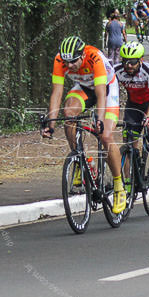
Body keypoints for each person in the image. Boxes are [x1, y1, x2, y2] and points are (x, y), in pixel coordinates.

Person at [41, 36, 126, 214]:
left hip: (107, 88)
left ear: (82, 55)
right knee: (69, 114)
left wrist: (100, 121)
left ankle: (119, 186)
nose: (69, 66)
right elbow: (57, 93)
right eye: (66, 62)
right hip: (85, 87)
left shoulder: (94, 57)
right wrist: (50, 124)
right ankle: (82, 160)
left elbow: (101, 94)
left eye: (73, 62)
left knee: (105, 136)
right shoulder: (60, 60)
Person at [114, 41, 149, 171]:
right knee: (129, 140)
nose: (128, 65)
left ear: (141, 60)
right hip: (134, 103)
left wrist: (148, 117)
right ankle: (130, 181)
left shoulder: (148, 70)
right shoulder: (117, 70)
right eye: (125, 61)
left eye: (132, 62)